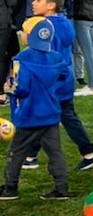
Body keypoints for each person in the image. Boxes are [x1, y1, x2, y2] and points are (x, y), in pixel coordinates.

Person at [21, 0, 93, 171]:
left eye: (38, 0)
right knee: (54, 116)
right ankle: (32, 155)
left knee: (45, 115)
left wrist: (28, 41)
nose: (33, 2)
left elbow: (44, 56)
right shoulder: (64, 23)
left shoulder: (45, 28)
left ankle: (88, 153)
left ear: (51, 5)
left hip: (51, 81)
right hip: (64, 78)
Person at [0, 18, 69, 201]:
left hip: (28, 115)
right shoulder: (56, 57)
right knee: (55, 152)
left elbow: (20, 88)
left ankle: (10, 188)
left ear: (29, 36)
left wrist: (7, 87)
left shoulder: (21, 59)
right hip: (51, 113)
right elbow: (66, 77)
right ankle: (61, 188)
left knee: (17, 152)